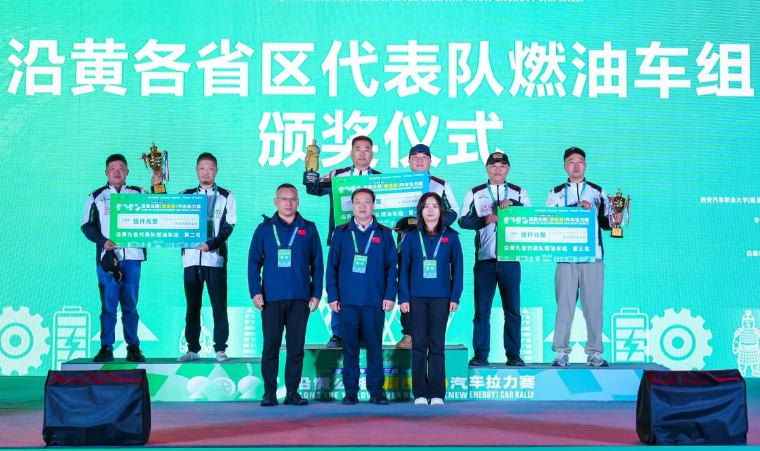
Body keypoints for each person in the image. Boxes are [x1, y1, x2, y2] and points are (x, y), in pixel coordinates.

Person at [248, 184, 323, 406]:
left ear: (298, 202)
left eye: (292, 199)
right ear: (276, 202)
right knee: (270, 347)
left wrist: (316, 293)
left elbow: (317, 264)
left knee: (295, 348)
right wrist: (255, 291)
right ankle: (269, 393)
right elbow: (253, 263)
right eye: (284, 198)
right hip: (271, 298)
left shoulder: (309, 228)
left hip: (300, 297)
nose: (288, 203)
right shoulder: (264, 229)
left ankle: (292, 393)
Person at [546, 147, 620, 367]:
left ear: (585, 165)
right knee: (564, 306)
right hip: (566, 257)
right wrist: (574, 208)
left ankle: (595, 352)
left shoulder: (598, 191)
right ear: (565, 166)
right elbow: (549, 219)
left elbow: (605, 223)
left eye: (580, 161)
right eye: (571, 161)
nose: (576, 165)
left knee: (593, 307)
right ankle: (561, 352)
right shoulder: (555, 193)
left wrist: (615, 219)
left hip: (592, 257)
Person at [326, 188, 397, 405]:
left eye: (367, 202)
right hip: (347, 302)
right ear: (352, 206)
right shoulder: (341, 232)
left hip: (374, 301)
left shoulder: (384, 233)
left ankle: (376, 391)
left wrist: (389, 296)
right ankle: (351, 392)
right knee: (350, 350)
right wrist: (333, 296)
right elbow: (332, 267)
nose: (362, 206)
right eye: (358, 202)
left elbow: (392, 268)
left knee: (375, 348)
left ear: (374, 205)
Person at [459, 151, 530, 367]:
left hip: (511, 260)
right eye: (493, 165)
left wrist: (514, 205)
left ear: (508, 169)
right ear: (487, 169)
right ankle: (481, 355)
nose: (497, 170)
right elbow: (462, 221)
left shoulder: (519, 192)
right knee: (482, 312)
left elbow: (531, 217)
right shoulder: (475, 192)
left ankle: (514, 355)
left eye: (502, 166)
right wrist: (484, 219)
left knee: (513, 311)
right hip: (485, 262)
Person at [399, 192, 463, 405]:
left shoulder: (451, 236)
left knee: (437, 344)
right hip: (416, 297)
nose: (430, 210)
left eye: (435, 206)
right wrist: (403, 298)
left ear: (441, 210)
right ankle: (419, 393)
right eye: (426, 206)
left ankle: (436, 393)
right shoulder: (411, 236)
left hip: (442, 297)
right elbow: (404, 269)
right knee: (418, 344)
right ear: (420, 210)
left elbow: (458, 269)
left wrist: (455, 297)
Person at [81, 154, 147, 363]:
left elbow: (157, 208)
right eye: (112, 168)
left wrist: (157, 184)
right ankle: (106, 348)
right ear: (106, 172)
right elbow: (87, 225)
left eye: (121, 168)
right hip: (108, 259)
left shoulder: (139, 193)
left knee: (130, 305)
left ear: (127, 172)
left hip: (133, 257)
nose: (116, 171)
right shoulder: (96, 196)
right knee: (108, 307)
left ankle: (133, 347)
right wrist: (103, 241)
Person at [394, 144, 460, 350]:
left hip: (435, 244)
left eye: (424, 157)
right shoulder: (398, 184)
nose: (419, 160)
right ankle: (408, 334)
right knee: (406, 283)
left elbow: (454, 210)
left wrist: (435, 227)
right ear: (408, 161)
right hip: (408, 242)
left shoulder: (441, 185)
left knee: (433, 288)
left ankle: (432, 335)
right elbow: (386, 210)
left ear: (430, 161)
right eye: (415, 157)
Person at [177, 153, 237, 362]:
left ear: (216, 171)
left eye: (210, 168)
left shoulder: (226, 196)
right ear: (196, 170)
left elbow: (229, 226)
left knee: (219, 305)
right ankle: (193, 349)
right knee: (192, 306)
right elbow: (170, 217)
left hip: (215, 259)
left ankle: (220, 347)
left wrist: (211, 244)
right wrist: (157, 186)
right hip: (191, 259)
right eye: (202, 168)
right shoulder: (185, 195)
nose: (206, 172)